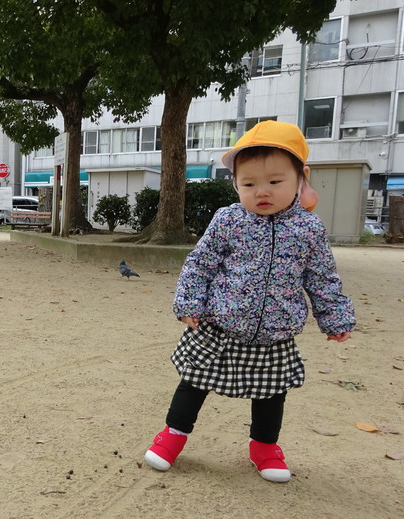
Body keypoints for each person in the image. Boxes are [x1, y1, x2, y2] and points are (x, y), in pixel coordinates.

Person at [143, 120, 356, 483]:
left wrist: (334, 319)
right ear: (236, 184)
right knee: (194, 381)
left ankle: (264, 447)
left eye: (275, 182)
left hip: (275, 333)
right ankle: (172, 436)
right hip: (219, 325)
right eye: (249, 184)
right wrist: (190, 303)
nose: (262, 191)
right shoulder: (228, 220)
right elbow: (200, 263)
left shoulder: (308, 229)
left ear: (300, 178)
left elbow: (321, 277)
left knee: (272, 393)